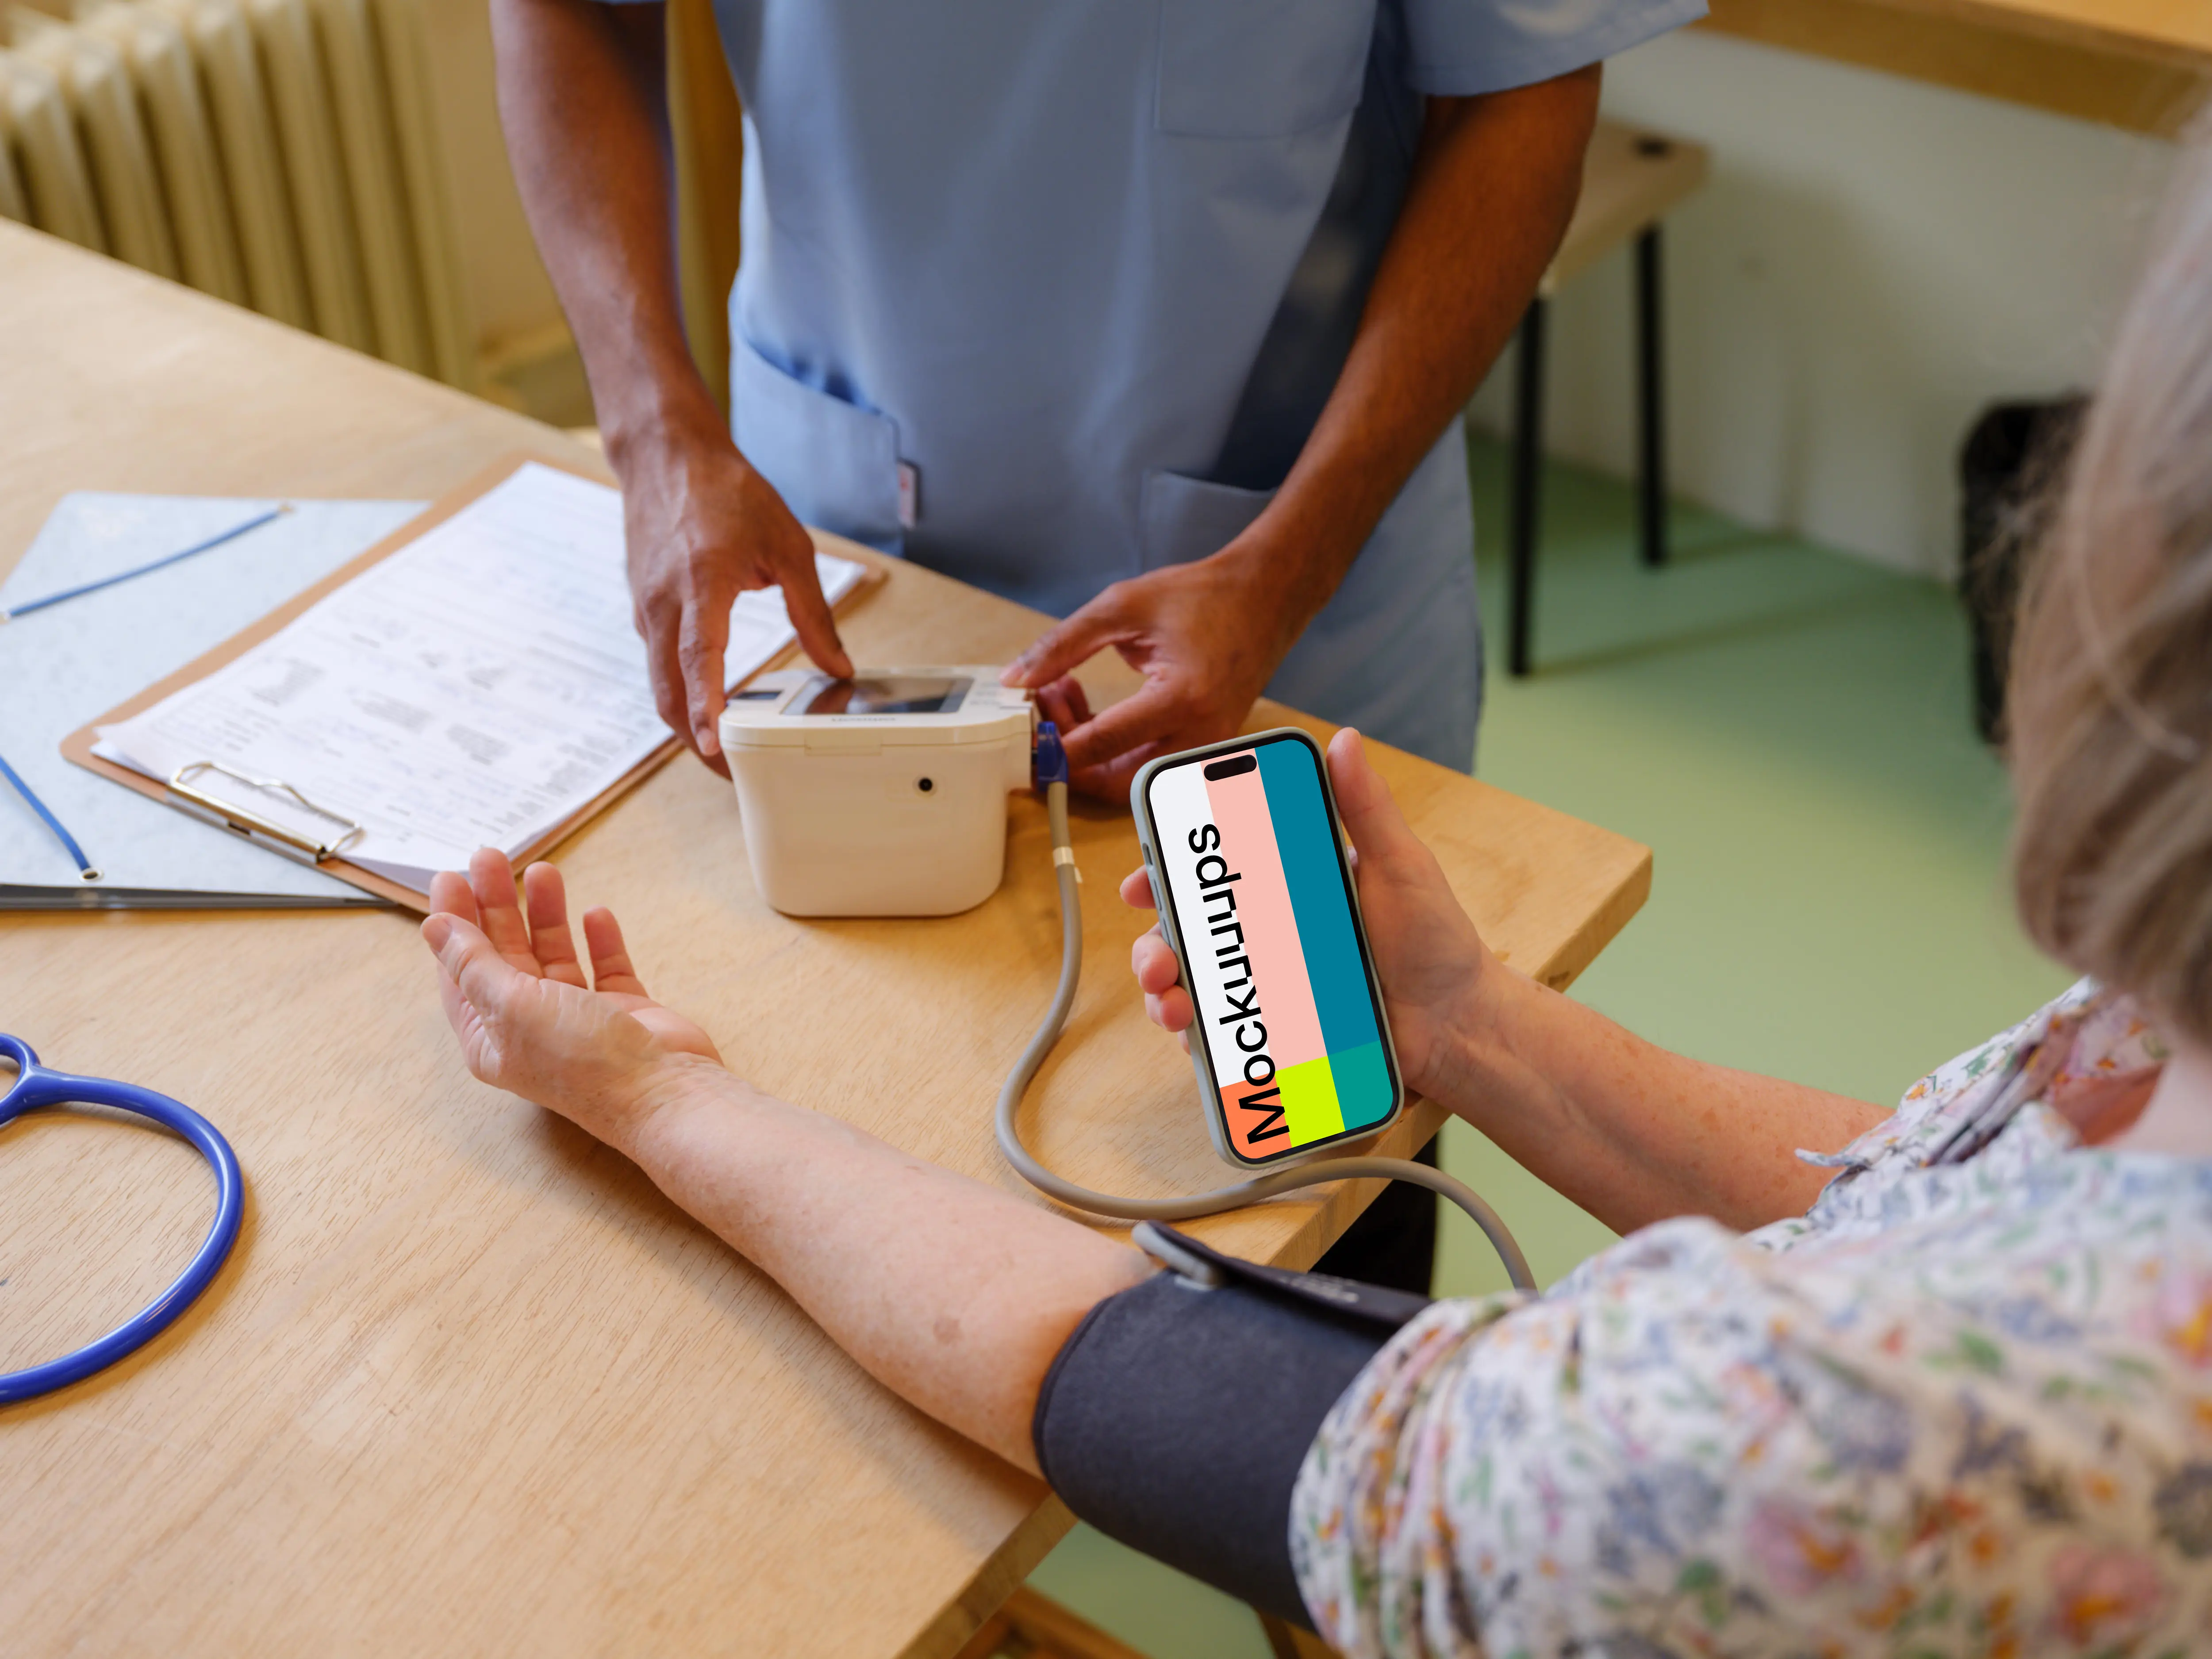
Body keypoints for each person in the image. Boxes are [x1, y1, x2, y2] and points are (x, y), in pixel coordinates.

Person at [418, 145, 2212, 1655]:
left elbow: (1117, 1375)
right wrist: (1466, 1023)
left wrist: (656, 1094)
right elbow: (1929, 1201)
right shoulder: (2132, 1099)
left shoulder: (1829, 1441)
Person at [491, 0, 1701, 792]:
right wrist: (655, 438)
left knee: (1315, 1140)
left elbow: (1521, 99)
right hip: (832, 574)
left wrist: (1288, 564)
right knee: (841, 1121)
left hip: (1289, 584)